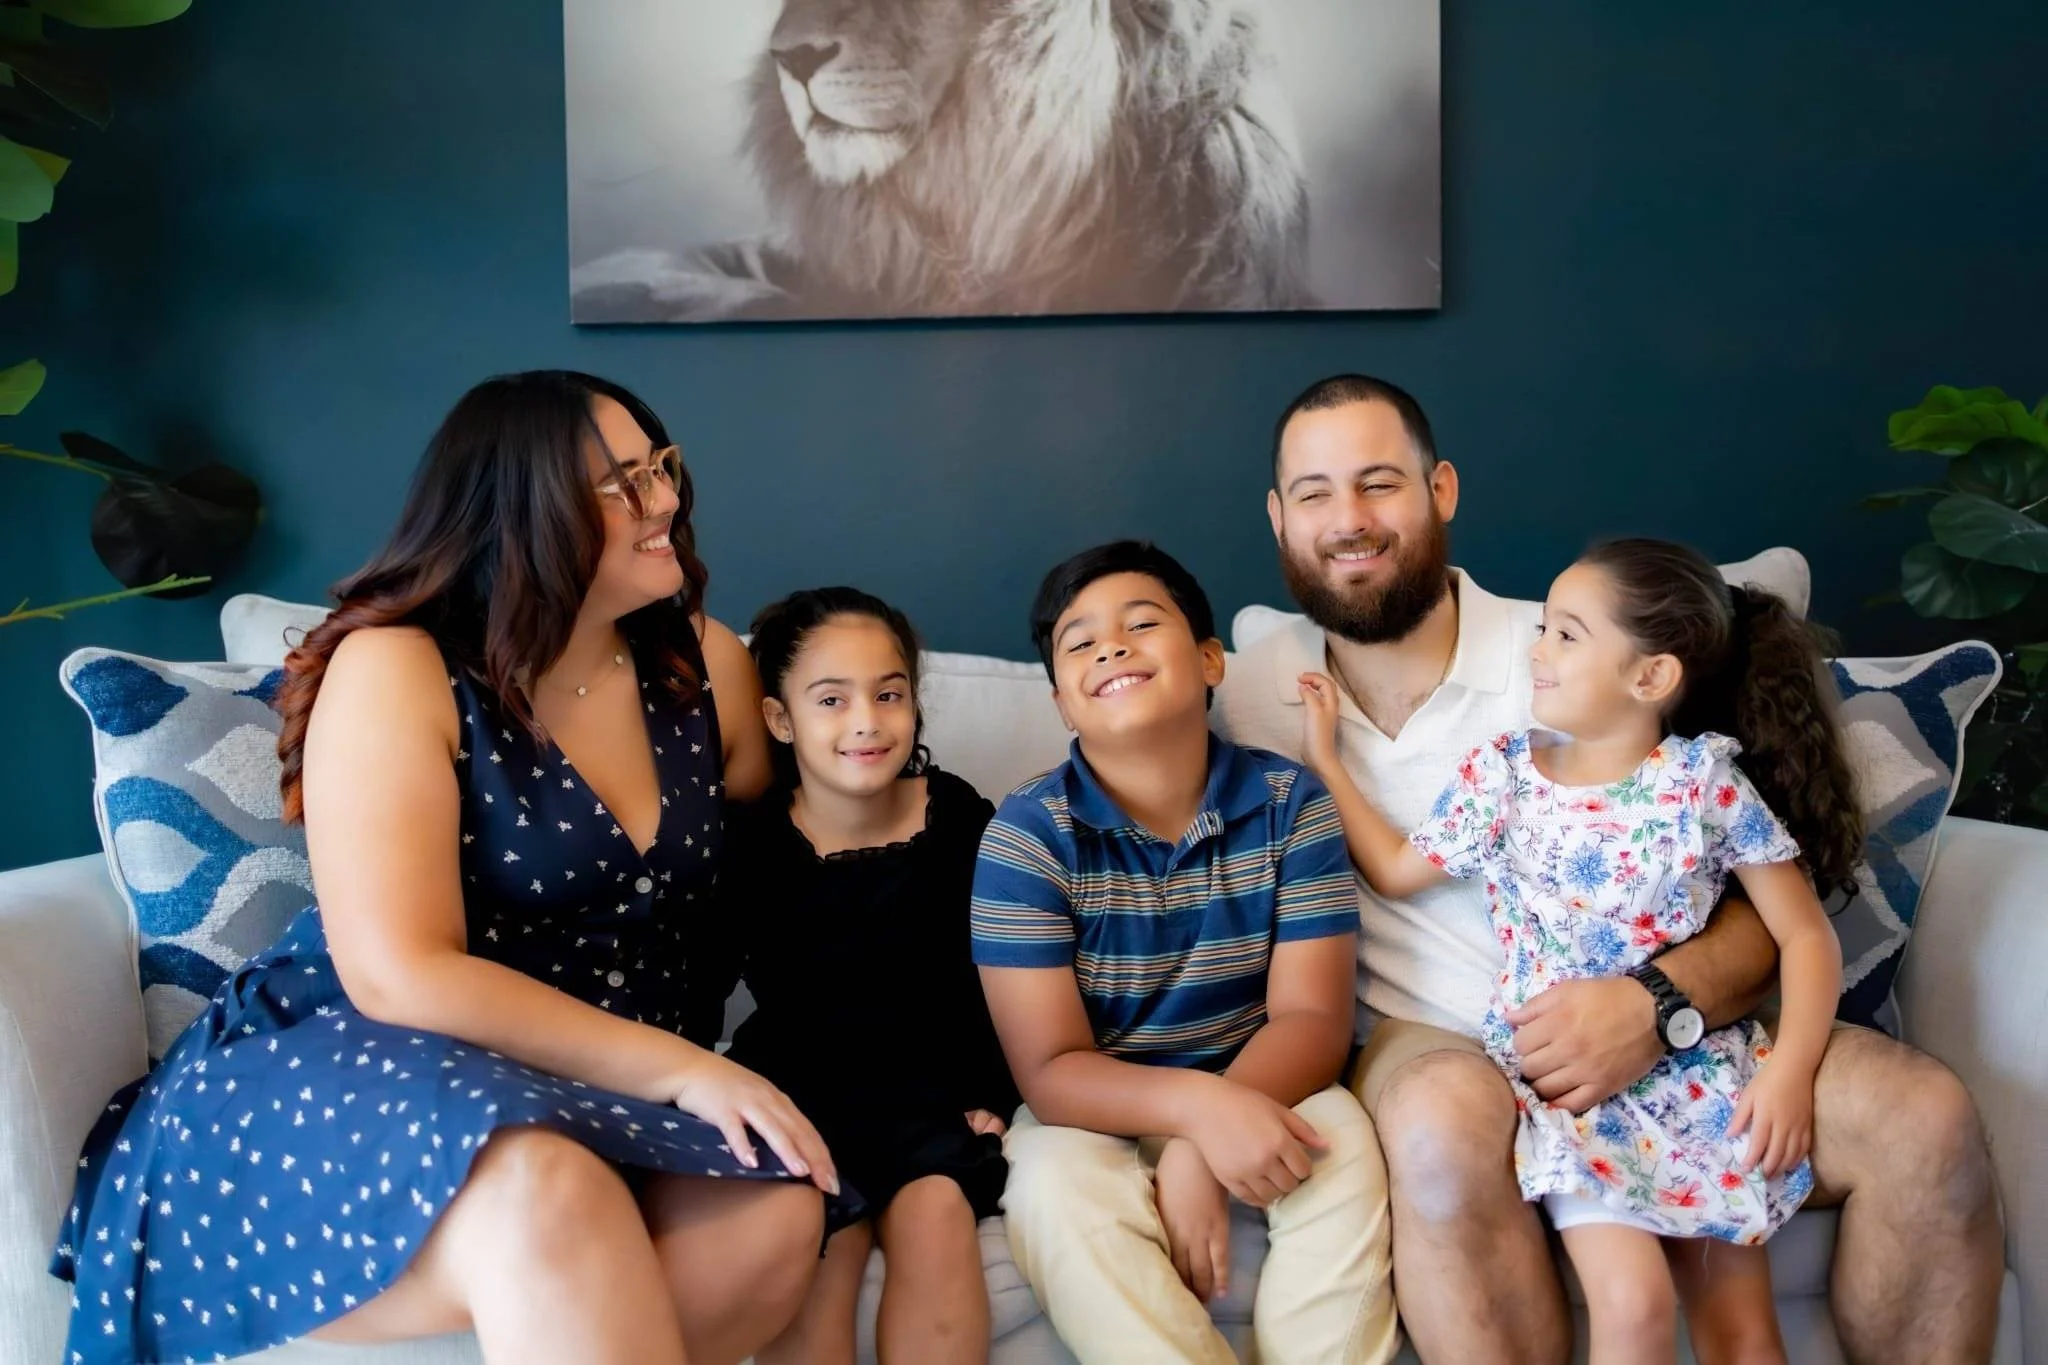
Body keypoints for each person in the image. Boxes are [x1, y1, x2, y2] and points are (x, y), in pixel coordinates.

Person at [50, 371, 851, 1365]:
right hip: (368, 1058)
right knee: (549, 1188)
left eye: (662, 468)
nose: (667, 503)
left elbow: (798, 859)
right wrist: (686, 1068)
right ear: (525, 512)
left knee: (771, 1206)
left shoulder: (704, 666)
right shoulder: (400, 667)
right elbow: (399, 973)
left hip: (596, 1080)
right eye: (624, 485)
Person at [1215, 373, 2006, 1365]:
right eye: (1315, 494)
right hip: (1441, 1041)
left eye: (1378, 484)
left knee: (1924, 1118)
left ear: (1440, 491)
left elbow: (1763, 894)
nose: (1349, 521)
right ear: (1278, 518)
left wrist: (1652, 1005)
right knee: (1436, 1134)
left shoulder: (1567, 650)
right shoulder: (1245, 692)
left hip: (1675, 1035)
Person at [1301, 537, 1858, 1363]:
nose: (1538, 649)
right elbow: (1391, 868)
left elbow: (1805, 934)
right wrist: (1325, 758)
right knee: (1631, 1304)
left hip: (1705, 1084)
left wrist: (1790, 1071)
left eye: (1566, 633)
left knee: (1743, 1331)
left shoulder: (1703, 783)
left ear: (1651, 677)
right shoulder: (1502, 775)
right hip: (1572, 1097)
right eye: (1542, 629)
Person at [972, 540, 1398, 1365]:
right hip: (1099, 1097)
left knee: (1341, 1150)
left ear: (1210, 661)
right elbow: (1052, 1068)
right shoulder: (1027, 835)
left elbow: (1312, 1017)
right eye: (1081, 642)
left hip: (1269, 1073)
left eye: (1141, 623)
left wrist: (1208, 1137)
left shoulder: (1289, 803)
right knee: (1054, 1189)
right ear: (1063, 699)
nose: (1112, 647)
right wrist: (1196, 1115)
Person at [712, 586, 1020, 1365]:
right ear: (780, 719)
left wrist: (993, 1093)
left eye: (889, 694)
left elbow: (1007, 971)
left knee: (939, 1215)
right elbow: (700, 978)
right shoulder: (750, 843)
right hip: (801, 1092)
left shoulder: (955, 818)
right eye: (831, 698)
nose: (866, 720)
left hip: (929, 1089)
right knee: (821, 1242)